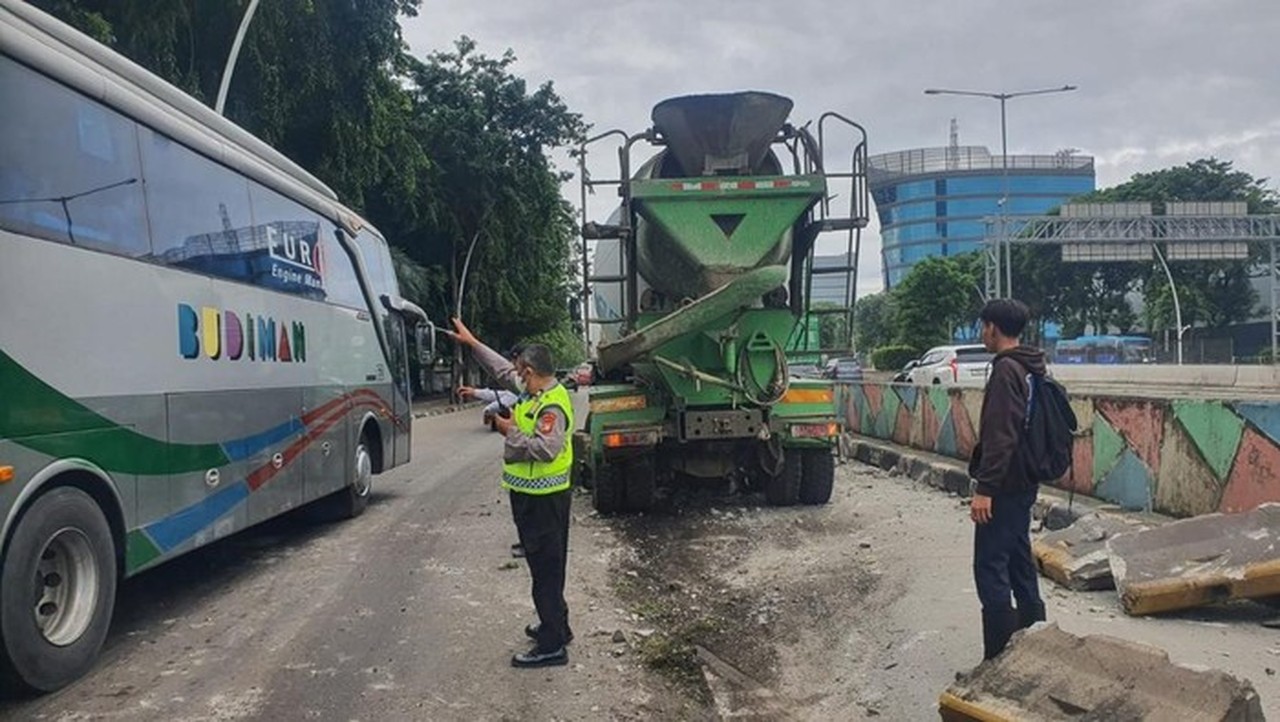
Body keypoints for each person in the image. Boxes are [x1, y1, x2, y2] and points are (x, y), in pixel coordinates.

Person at [447, 318, 575, 668]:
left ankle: (552, 646)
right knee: (548, 567)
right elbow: (501, 369)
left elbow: (546, 449)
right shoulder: (534, 391)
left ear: (531, 371)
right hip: (534, 497)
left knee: (545, 572)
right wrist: (472, 343)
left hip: (544, 501)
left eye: (521, 372)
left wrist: (508, 431)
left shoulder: (550, 404)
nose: (515, 376)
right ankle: (558, 626)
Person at [968, 298, 1048, 661]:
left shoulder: (1005, 371)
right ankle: (1035, 645)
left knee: (989, 566)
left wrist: (985, 489)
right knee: (1018, 560)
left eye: (983, 327)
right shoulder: (1032, 366)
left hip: (1004, 484)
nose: (982, 333)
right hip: (1025, 479)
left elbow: (1001, 435)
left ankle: (998, 658)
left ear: (992, 328)